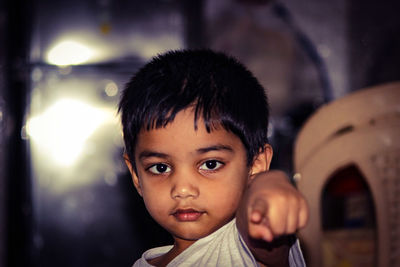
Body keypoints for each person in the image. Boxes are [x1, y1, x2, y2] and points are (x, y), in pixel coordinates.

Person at [119, 49, 309, 267]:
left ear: (255, 165)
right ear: (136, 176)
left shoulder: (248, 243)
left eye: (210, 164)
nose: (182, 189)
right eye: (160, 168)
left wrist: (270, 185)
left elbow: (260, 215)